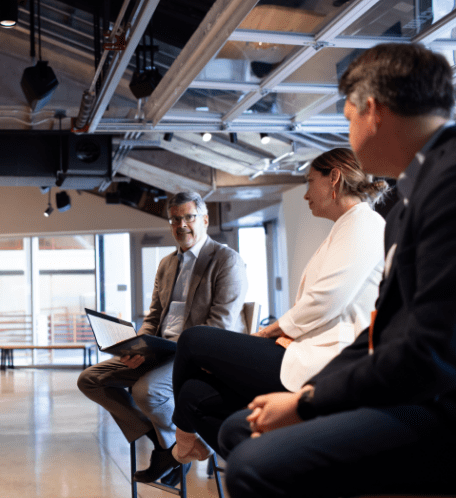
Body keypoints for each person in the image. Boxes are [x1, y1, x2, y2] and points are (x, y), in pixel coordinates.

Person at [217, 43, 456, 497]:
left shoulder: (447, 184)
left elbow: (432, 351)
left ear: (373, 110)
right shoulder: (413, 192)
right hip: (417, 391)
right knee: (238, 429)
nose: (348, 134)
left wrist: (308, 402)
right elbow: (380, 335)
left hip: (439, 404)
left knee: (251, 463)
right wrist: (303, 395)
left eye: (348, 120)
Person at [169, 148, 387, 464]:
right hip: (301, 349)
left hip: (324, 361)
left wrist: (269, 331)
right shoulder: (347, 226)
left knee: (192, 340)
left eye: (311, 182)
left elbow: (325, 299)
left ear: (334, 178)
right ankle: (263, 465)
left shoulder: (364, 223)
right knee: (192, 397)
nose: (306, 194)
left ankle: (184, 441)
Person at [77, 191, 247, 485]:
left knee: (146, 391)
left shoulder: (226, 261)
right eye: (175, 219)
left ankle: (180, 448)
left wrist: (177, 351)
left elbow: (218, 326)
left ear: (204, 219)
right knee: (90, 380)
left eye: (188, 217)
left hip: (198, 355)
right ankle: (164, 445)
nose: (181, 225)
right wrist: (138, 346)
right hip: (161, 352)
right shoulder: (167, 264)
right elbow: (154, 316)